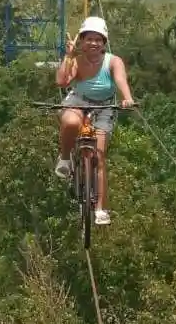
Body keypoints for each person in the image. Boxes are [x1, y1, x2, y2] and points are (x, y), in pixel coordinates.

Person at [54, 16, 135, 226]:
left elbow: (120, 80)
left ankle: (100, 207)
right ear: (81, 41)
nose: (93, 43)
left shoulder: (113, 61)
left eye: (98, 39)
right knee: (71, 123)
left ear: (104, 42)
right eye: (89, 39)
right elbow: (61, 81)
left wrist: (127, 98)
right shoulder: (77, 61)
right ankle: (65, 158)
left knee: (98, 156)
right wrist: (68, 56)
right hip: (78, 101)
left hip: (104, 107)